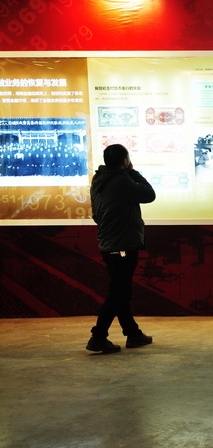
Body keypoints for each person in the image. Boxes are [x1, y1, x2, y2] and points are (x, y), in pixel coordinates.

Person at [86, 144, 156, 353]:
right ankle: (98, 337)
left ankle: (133, 333)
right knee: (118, 292)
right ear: (124, 161)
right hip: (122, 245)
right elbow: (149, 194)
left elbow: (97, 214)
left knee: (121, 290)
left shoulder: (99, 179)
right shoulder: (121, 180)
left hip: (108, 244)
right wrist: (133, 171)